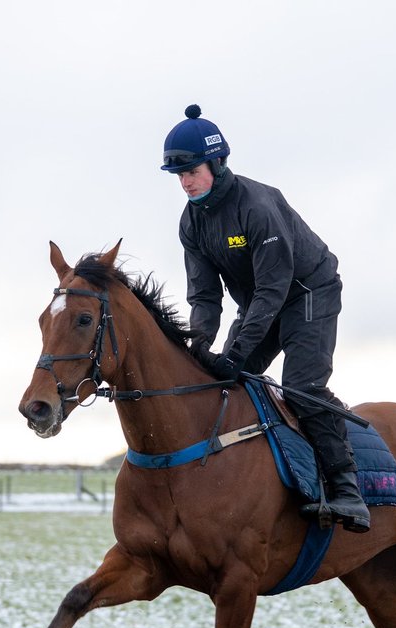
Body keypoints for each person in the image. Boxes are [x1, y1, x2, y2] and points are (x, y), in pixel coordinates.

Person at [160, 104, 370, 532]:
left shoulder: (256, 206)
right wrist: (199, 348)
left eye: (192, 171)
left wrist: (235, 352)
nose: (185, 182)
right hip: (260, 304)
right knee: (223, 382)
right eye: (178, 175)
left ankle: (348, 490)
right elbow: (204, 296)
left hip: (308, 292)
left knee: (301, 385)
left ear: (217, 164)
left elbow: (274, 289)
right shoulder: (190, 223)